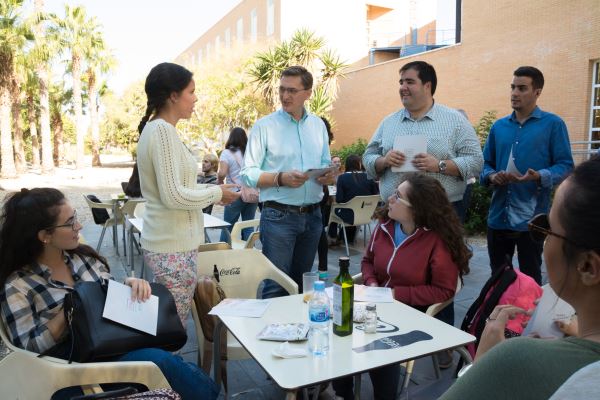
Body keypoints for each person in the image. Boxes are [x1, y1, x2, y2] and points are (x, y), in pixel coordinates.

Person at [0, 188, 220, 400]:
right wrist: (69, 313)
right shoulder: (18, 286)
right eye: (69, 223)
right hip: (71, 369)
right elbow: (25, 352)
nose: (79, 225)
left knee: (166, 360)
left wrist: (128, 285)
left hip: (110, 344)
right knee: (159, 362)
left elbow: (106, 295)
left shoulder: (82, 259)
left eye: (75, 216)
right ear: (44, 236)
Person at [440, 156, 600, 400]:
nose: (543, 240)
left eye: (546, 228)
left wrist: (483, 363)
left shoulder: (518, 360)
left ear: (588, 267)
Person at [333, 173, 471, 400]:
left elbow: (444, 290)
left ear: (416, 209)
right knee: (340, 320)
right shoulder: (384, 225)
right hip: (376, 300)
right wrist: (372, 284)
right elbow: (368, 261)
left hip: (411, 310)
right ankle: (342, 392)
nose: (390, 198)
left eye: (398, 196)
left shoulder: (438, 240)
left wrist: (394, 294)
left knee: (380, 343)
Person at [136, 62, 239, 324]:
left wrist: (215, 190)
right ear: (173, 95)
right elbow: (174, 196)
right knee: (172, 327)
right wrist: (216, 194)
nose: (195, 99)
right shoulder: (161, 131)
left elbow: (180, 188)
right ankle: (164, 366)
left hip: (173, 245)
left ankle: (163, 365)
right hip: (172, 247)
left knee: (168, 323)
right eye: (191, 92)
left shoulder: (161, 130)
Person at [241, 65, 334, 298]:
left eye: (292, 90)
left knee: (302, 287)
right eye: (282, 89)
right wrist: (280, 178)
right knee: (276, 286)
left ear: (308, 93)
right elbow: (247, 173)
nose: (285, 96)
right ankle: (270, 334)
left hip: (313, 216)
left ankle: (297, 333)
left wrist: (329, 174)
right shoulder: (264, 126)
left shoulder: (318, 125)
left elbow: (323, 162)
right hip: (278, 217)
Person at [481, 66, 574, 284]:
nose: (514, 93)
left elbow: (566, 166)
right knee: (498, 279)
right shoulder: (499, 127)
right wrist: (492, 176)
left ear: (537, 92)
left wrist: (540, 175)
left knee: (530, 279)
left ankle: (529, 319)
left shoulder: (553, 125)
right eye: (513, 87)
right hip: (498, 217)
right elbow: (485, 164)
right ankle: (498, 317)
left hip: (532, 221)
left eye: (522, 88)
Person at [362, 60, 483, 222]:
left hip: (440, 213)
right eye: (401, 82)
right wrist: (384, 161)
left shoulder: (456, 121)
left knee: (440, 249)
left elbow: (476, 161)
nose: (403, 87)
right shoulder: (388, 122)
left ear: (427, 86)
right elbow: (367, 156)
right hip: (394, 211)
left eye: (410, 82)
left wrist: (439, 165)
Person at [218, 127, 258, 242]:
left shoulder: (226, 153)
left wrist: (219, 181)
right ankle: (248, 254)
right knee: (248, 226)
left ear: (231, 138)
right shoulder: (250, 153)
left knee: (227, 227)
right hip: (251, 193)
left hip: (234, 194)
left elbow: (222, 173)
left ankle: (223, 254)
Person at [332, 154, 379, 243]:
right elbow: (375, 195)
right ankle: (344, 237)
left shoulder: (342, 178)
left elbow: (339, 199)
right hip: (367, 214)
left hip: (348, 216)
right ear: (359, 164)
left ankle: (332, 236)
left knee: (333, 210)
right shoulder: (369, 176)